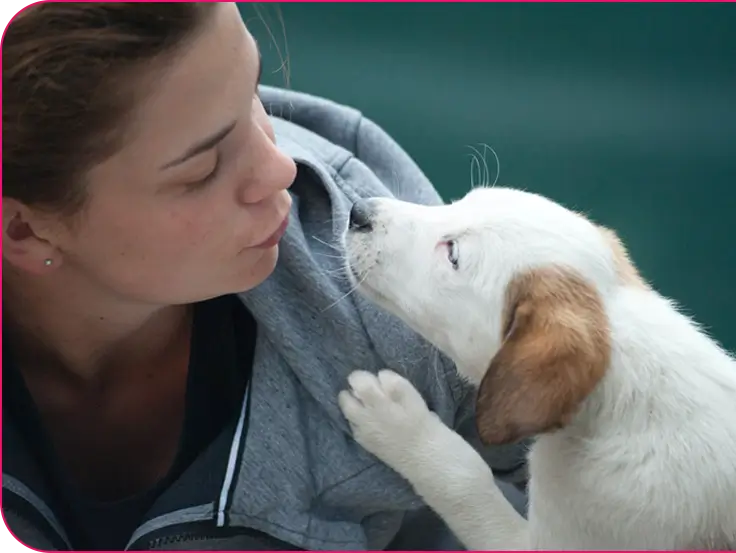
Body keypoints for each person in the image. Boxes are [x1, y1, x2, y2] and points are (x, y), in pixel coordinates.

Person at [2, 3, 528, 551]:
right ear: (23, 231)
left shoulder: (388, 296)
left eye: (254, 90)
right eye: (202, 170)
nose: (281, 167)